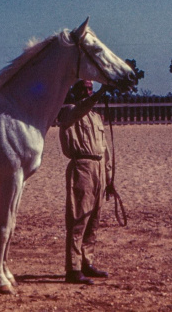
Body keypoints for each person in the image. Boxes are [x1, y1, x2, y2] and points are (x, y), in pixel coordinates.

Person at [58, 80, 115, 285]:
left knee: (94, 218)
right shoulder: (70, 111)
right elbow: (81, 108)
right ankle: (73, 269)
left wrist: (109, 178)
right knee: (78, 218)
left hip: (99, 167)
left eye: (90, 89)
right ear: (75, 91)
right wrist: (100, 94)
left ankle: (86, 262)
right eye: (83, 89)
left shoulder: (96, 117)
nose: (87, 92)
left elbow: (104, 148)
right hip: (81, 166)